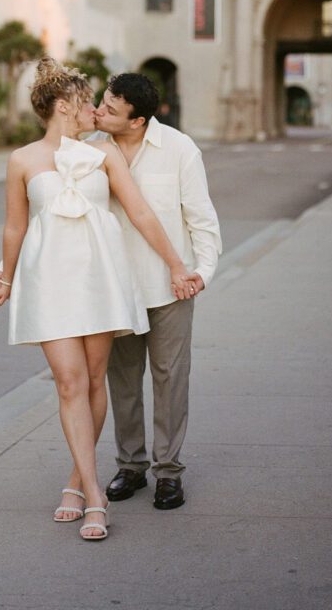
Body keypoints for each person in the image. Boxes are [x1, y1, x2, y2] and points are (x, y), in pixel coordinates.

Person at [0, 58, 193, 541]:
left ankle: (76, 482)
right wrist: (5, 276)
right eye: (87, 102)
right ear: (64, 106)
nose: (94, 110)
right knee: (68, 382)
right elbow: (15, 225)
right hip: (49, 282)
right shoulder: (21, 159)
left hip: (100, 279)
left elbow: (139, 212)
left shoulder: (105, 155)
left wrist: (177, 264)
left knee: (95, 379)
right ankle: (95, 492)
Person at [93, 73, 222, 511]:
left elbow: (201, 217)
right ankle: (131, 466)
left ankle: (168, 473)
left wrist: (201, 271)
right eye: (103, 101)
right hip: (116, 289)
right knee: (123, 383)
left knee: (170, 381)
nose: (100, 111)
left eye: (111, 109)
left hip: (171, 288)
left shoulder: (179, 149)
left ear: (138, 121)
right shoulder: (91, 151)